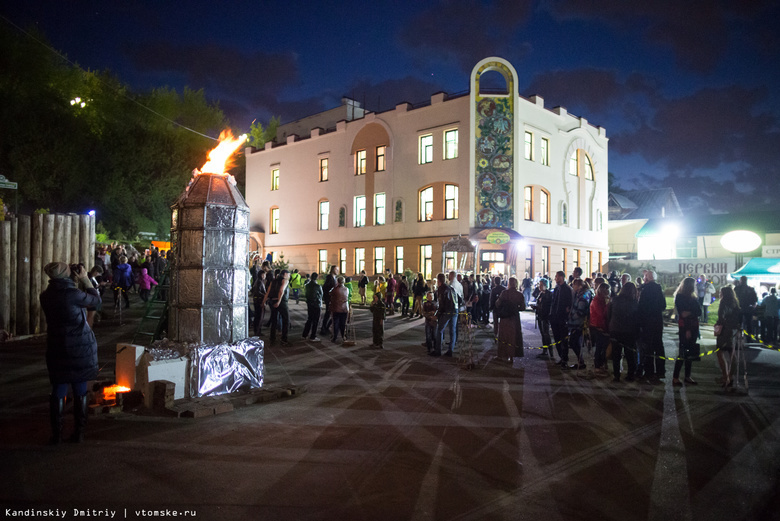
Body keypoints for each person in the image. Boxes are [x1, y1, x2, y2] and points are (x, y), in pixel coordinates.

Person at [40, 262, 101, 444]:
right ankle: (79, 433)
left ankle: (57, 435)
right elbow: (95, 301)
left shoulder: (46, 296)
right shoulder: (73, 294)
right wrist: (84, 278)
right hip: (80, 346)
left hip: (57, 345)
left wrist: (73, 280)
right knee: (80, 388)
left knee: (59, 388)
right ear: (66, 275)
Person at [637, 270, 666, 381]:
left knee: (648, 347)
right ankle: (660, 371)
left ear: (647, 278)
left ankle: (649, 371)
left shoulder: (645, 290)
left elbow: (641, 307)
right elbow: (663, 305)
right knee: (659, 346)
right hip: (658, 321)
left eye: (644, 277)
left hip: (647, 322)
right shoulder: (659, 289)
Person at [672, 277, 701, 386]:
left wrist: (689, 312)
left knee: (691, 353)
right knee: (683, 352)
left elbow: (699, 312)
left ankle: (687, 376)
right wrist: (687, 329)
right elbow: (683, 314)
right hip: (685, 327)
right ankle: (675, 377)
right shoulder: (680, 297)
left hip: (694, 326)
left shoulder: (693, 297)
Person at [608, 282, 639, 382]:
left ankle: (616, 375)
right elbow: (636, 318)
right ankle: (630, 375)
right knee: (629, 354)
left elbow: (609, 314)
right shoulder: (634, 302)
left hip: (615, 330)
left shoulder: (615, 300)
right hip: (629, 331)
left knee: (616, 354)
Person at [495, 277, 526, 363]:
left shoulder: (504, 293)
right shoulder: (519, 295)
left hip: (504, 318)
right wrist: (515, 308)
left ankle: (502, 354)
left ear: (509, 283)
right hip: (514, 318)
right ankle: (511, 356)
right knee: (513, 337)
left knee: (503, 336)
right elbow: (523, 307)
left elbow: (497, 304)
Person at [716, 286, 741, 389]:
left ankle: (725, 375)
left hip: (725, 329)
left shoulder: (723, 303)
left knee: (720, 352)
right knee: (732, 353)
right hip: (733, 330)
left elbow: (721, 316)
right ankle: (730, 376)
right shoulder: (735, 303)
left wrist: (718, 324)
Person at [564, 278, 592, 370]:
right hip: (577, 322)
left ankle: (581, 362)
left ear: (579, 286)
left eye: (574, 285)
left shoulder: (583, 295)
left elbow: (581, 311)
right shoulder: (579, 294)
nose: (573, 287)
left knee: (574, 342)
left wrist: (571, 317)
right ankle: (580, 362)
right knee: (575, 342)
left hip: (579, 323)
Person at [550, 271, 573, 369]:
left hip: (562, 318)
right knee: (557, 339)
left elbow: (570, 302)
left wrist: (567, 313)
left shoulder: (567, 289)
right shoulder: (556, 288)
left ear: (562, 277)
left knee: (563, 340)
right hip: (555, 317)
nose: (555, 278)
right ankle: (561, 357)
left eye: (557, 276)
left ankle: (565, 359)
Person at [432, 273, 457, 357]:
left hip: (447, 311)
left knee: (440, 330)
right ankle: (450, 350)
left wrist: (437, 315)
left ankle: (438, 350)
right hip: (455, 311)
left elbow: (442, 304)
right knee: (452, 331)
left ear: (438, 280)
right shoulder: (450, 288)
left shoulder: (441, 289)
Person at [264, 270, 291, 346]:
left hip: (272, 301)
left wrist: (263, 302)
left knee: (274, 320)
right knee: (286, 320)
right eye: (288, 274)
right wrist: (279, 301)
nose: (289, 276)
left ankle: (272, 339)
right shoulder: (285, 280)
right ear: (285, 274)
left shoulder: (274, 281)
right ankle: (284, 340)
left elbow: (268, 292)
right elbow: (281, 290)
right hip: (281, 302)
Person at [589, 282, 610, 374]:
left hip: (602, 326)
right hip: (598, 327)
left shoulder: (601, 300)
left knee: (603, 347)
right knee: (600, 347)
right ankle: (598, 364)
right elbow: (601, 315)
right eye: (607, 290)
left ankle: (601, 363)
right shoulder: (597, 301)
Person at [535, 279, 554, 360]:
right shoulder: (541, 294)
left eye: (541, 285)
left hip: (545, 316)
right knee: (543, 334)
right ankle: (545, 350)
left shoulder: (549, 294)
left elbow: (547, 306)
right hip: (540, 315)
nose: (540, 286)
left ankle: (550, 352)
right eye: (539, 285)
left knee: (546, 334)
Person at [302, 272, 322, 341]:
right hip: (316, 304)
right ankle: (313, 336)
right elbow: (321, 295)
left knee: (310, 319)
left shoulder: (307, 285)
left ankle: (305, 334)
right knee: (316, 321)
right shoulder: (318, 286)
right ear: (317, 278)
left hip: (309, 304)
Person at [329, 276, 350, 343]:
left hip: (336, 308)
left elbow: (330, 293)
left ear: (337, 281)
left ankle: (334, 337)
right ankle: (344, 337)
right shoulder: (346, 289)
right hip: (344, 308)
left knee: (335, 323)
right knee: (343, 323)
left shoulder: (335, 289)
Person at [320, 265, 338, 336]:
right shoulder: (329, 278)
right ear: (333, 270)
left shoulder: (334, 278)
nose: (337, 271)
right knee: (328, 313)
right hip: (329, 299)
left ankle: (326, 327)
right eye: (336, 270)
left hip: (333, 299)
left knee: (332, 313)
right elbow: (325, 288)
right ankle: (324, 328)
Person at [250, 268, 267, 337]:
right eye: (263, 274)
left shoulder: (260, 281)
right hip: (259, 301)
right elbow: (257, 292)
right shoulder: (259, 282)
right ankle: (257, 331)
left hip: (258, 300)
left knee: (259, 316)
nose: (264, 276)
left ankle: (258, 331)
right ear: (261, 275)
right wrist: (265, 295)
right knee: (259, 316)